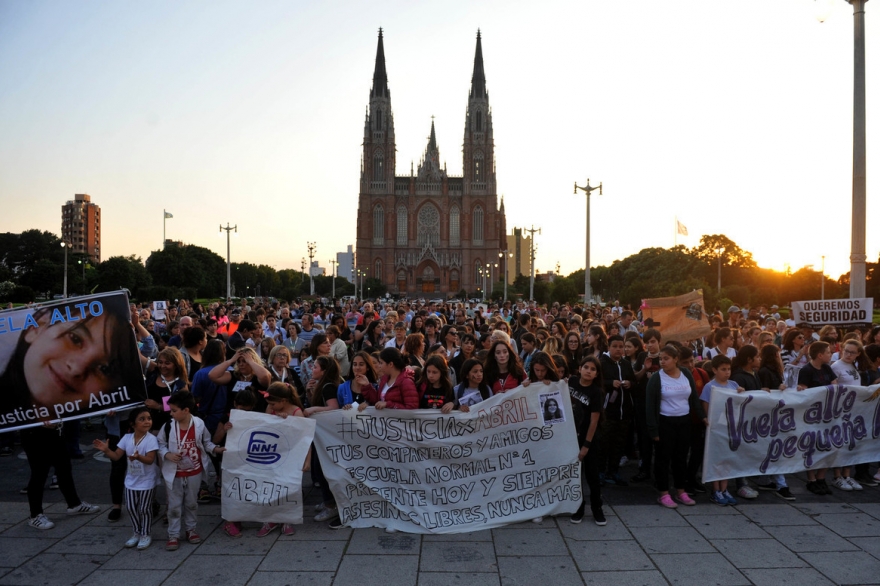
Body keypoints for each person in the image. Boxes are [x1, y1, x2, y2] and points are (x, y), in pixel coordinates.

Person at [157, 391, 225, 551]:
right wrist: (167, 454)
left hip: (194, 471)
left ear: (186, 410)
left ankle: (191, 530)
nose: (171, 413)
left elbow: (206, 442)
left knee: (191, 503)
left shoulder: (199, 424)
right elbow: (160, 443)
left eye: (174, 410)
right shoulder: (168, 426)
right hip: (175, 473)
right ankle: (173, 534)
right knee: (174, 505)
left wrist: (216, 449)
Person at [646, 345, 707, 509]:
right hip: (665, 422)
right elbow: (650, 406)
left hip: (684, 421)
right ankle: (664, 493)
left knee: (681, 458)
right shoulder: (656, 379)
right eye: (661, 359)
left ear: (675, 360)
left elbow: (694, 397)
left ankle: (681, 491)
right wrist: (653, 430)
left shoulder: (686, 374)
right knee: (663, 459)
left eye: (666, 358)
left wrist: (703, 417)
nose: (662, 362)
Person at [92, 408, 159, 549]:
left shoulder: (151, 439)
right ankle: (136, 532)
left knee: (145, 509)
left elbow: (150, 460)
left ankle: (145, 533)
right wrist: (106, 450)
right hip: (131, 480)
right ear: (132, 424)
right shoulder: (126, 438)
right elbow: (116, 456)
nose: (147, 421)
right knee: (131, 507)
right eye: (142, 419)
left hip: (147, 481)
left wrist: (138, 457)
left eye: (149, 418)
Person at [256, 382, 306, 537]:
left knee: (288, 488)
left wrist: (307, 460)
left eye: (273, 403)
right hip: (272, 457)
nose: (271, 406)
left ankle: (287, 519)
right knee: (271, 488)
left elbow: (305, 438)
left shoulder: (296, 413)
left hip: (290, 458)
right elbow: (264, 428)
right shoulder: (271, 410)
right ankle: (272, 519)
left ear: (283, 401)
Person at [304, 355, 343, 523]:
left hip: (325, 436)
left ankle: (331, 505)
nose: (312, 369)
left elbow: (333, 408)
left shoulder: (328, 386)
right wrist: (309, 392)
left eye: (316, 367)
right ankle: (328, 501)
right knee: (317, 469)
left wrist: (313, 409)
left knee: (321, 469)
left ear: (324, 371)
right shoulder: (320, 385)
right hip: (320, 435)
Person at [568, 355, 606, 525]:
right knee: (575, 476)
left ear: (597, 374)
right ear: (580, 368)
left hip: (589, 438)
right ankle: (579, 507)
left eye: (593, 369)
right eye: (586, 367)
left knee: (592, 476)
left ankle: (597, 507)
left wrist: (586, 446)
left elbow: (594, 421)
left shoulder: (597, 392)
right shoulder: (572, 382)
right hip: (570, 437)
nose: (588, 371)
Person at [700, 355, 741, 506]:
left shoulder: (733, 384)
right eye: (723, 369)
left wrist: (741, 392)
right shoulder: (710, 387)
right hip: (717, 429)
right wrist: (709, 423)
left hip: (730, 428)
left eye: (729, 369)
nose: (727, 372)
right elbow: (706, 407)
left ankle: (724, 489)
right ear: (714, 370)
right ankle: (715, 489)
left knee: (727, 459)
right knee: (716, 460)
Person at [597, 335, 636, 486]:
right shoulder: (602, 363)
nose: (619, 349)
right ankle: (601, 471)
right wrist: (609, 383)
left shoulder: (626, 364)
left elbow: (634, 381)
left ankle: (613, 471)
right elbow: (596, 382)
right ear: (609, 347)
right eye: (615, 346)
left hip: (624, 411)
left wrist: (629, 384)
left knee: (618, 444)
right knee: (604, 442)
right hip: (608, 412)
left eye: (621, 346)